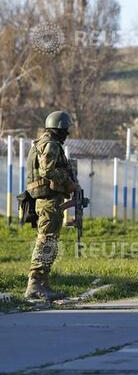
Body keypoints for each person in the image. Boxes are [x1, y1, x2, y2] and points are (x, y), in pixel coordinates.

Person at [24, 111, 79, 300]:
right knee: (47, 241)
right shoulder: (51, 145)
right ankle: (35, 284)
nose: (67, 134)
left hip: (48, 200)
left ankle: (43, 283)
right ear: (59, 129)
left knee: (50, 242)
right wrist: (68, 182)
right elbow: (47, 171)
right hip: (48, 201)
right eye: (66, 130)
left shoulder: (44, 142)